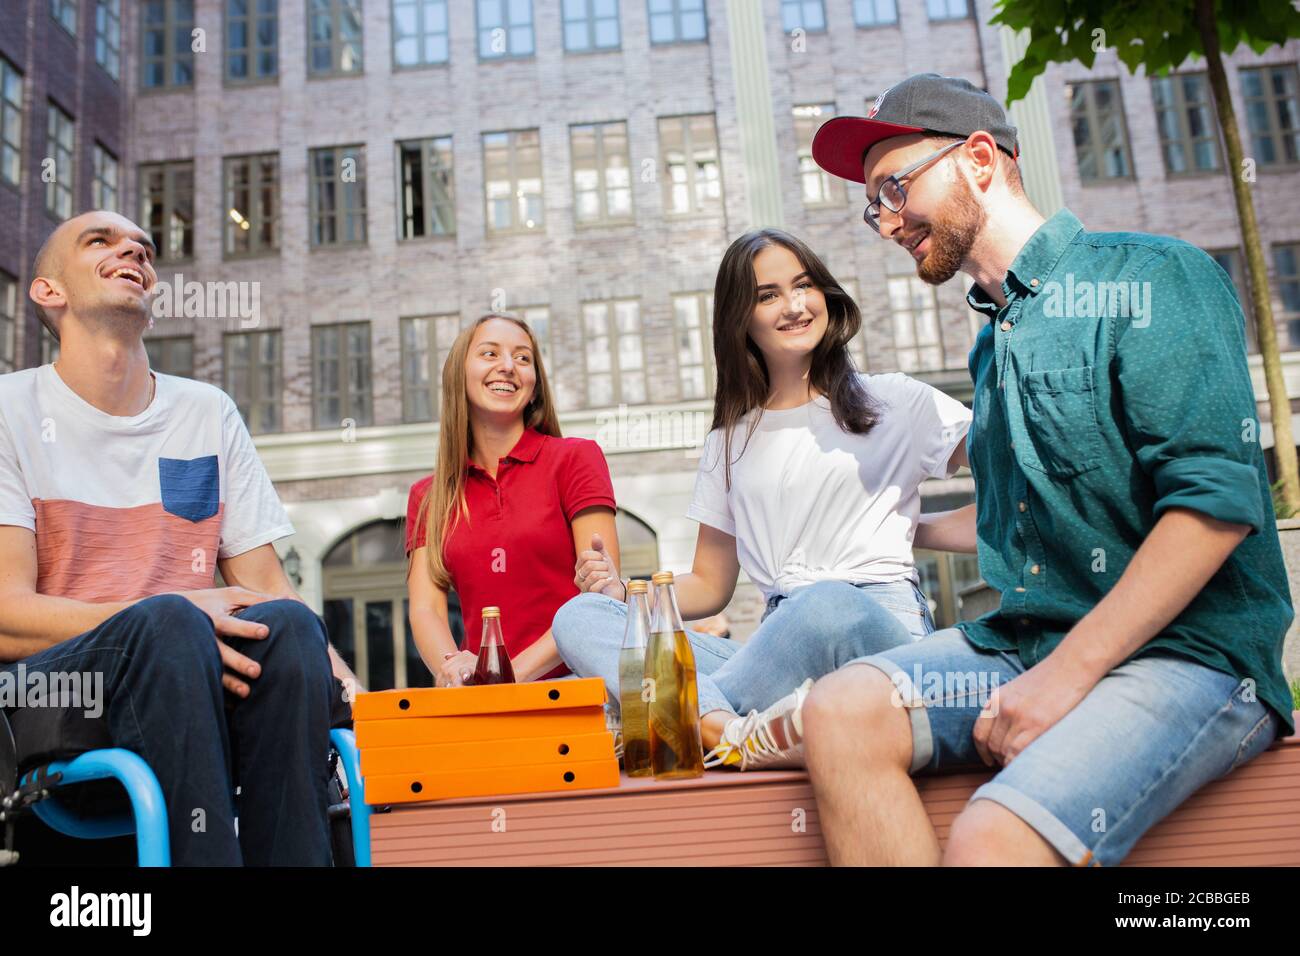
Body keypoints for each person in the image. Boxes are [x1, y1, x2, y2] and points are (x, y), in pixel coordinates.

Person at [801, 73, 1294, 865]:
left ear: (981, 160)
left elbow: (1215, 506)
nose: (886, 222)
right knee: (840, 708)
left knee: (992, 838)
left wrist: (1069, 673)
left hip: (1189, 657)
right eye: (873, 205)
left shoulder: (1152, 278)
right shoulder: (993, 346)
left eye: (895, 187)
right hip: (1027, 640)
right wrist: (893, 526)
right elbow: (1006, 514)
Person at [0, 210, 358, 866]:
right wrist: (171, 617)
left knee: (289, 626)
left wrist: (356, 695)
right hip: (51, 689)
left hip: (189, 674)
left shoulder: (205, 411)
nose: (132, 249)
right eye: (100, 241)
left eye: (143, 246)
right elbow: (5, 616)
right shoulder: (10, 409)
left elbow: (268, 586)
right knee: (169, 620)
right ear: (48, 291)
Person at [553, 227, 974, 770]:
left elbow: (1017, 491)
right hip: (773, 656)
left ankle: (688, 722)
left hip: (876, 637)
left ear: (826, 294)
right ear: (740, 318)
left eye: (804, 286)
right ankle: (728, 729)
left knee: (825, 602)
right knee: (580, 617)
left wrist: (914, 525)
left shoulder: (894, 399)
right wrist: (622, 592)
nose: (794, 305)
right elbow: (709, 585)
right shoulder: (729, 441)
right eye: (768, 294)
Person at [405, 313, 621, 687]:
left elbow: (599, 601)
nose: (508, 367)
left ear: (535, 386)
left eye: (523, 358)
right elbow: (426, 609)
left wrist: (504, 678)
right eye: (490, 354)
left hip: (578, 684)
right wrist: (453, 667)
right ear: (459, 374)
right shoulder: (428, 496)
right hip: (485, 697)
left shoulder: (576, 459)